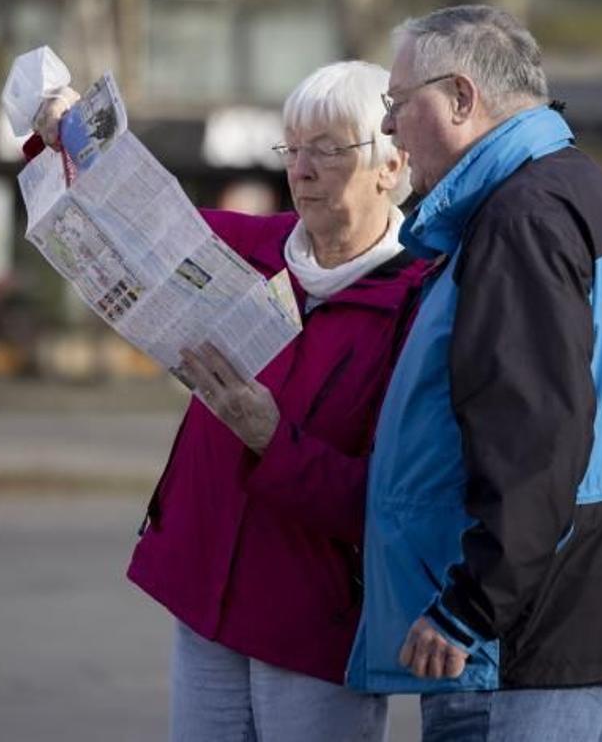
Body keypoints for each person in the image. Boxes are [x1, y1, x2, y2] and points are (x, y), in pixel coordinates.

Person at [35, 61, 440, 741]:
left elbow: (393, 500)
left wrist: (272, 439)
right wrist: (69, 131)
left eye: (329, 149)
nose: (301, 169)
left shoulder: (421, 301)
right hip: (204, 594)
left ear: (392, 165)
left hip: (312, 618)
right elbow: (133, 215)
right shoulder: (250, 246)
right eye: (293, 148)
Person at [346, 5, 602, 740]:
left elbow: (537, 435)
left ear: (460, 99)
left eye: (396, 103)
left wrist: (470, 605)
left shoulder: (521, 217)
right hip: (586, 601)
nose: (387, 129)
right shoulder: (575, 187)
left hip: (535, 624)